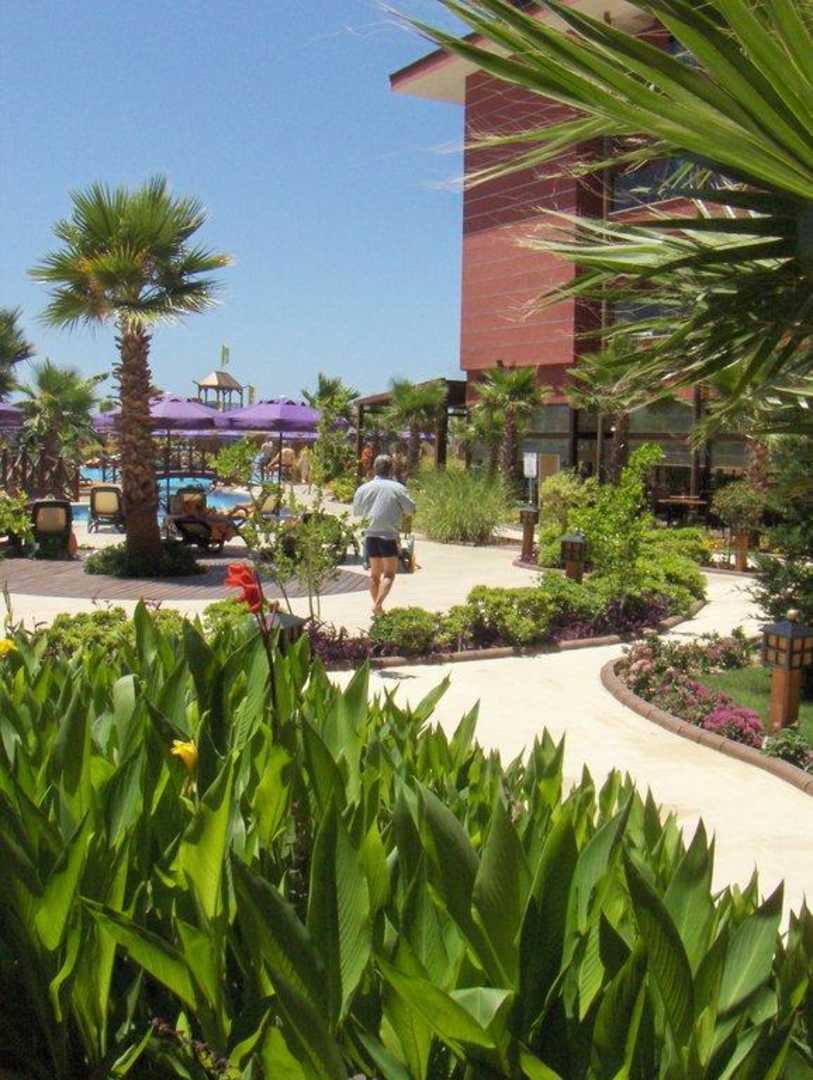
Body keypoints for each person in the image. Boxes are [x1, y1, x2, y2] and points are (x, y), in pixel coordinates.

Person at [353, 454, 416, 617]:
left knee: (374, 574)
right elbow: (411, 509)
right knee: (389, 573)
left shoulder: (363, 488)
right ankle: (377, 605)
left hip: (370, 534)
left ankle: (378, 611)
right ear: (391, 469)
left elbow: (356, 511)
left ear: (375, 468)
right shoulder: (398, 488)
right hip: (388, 535)